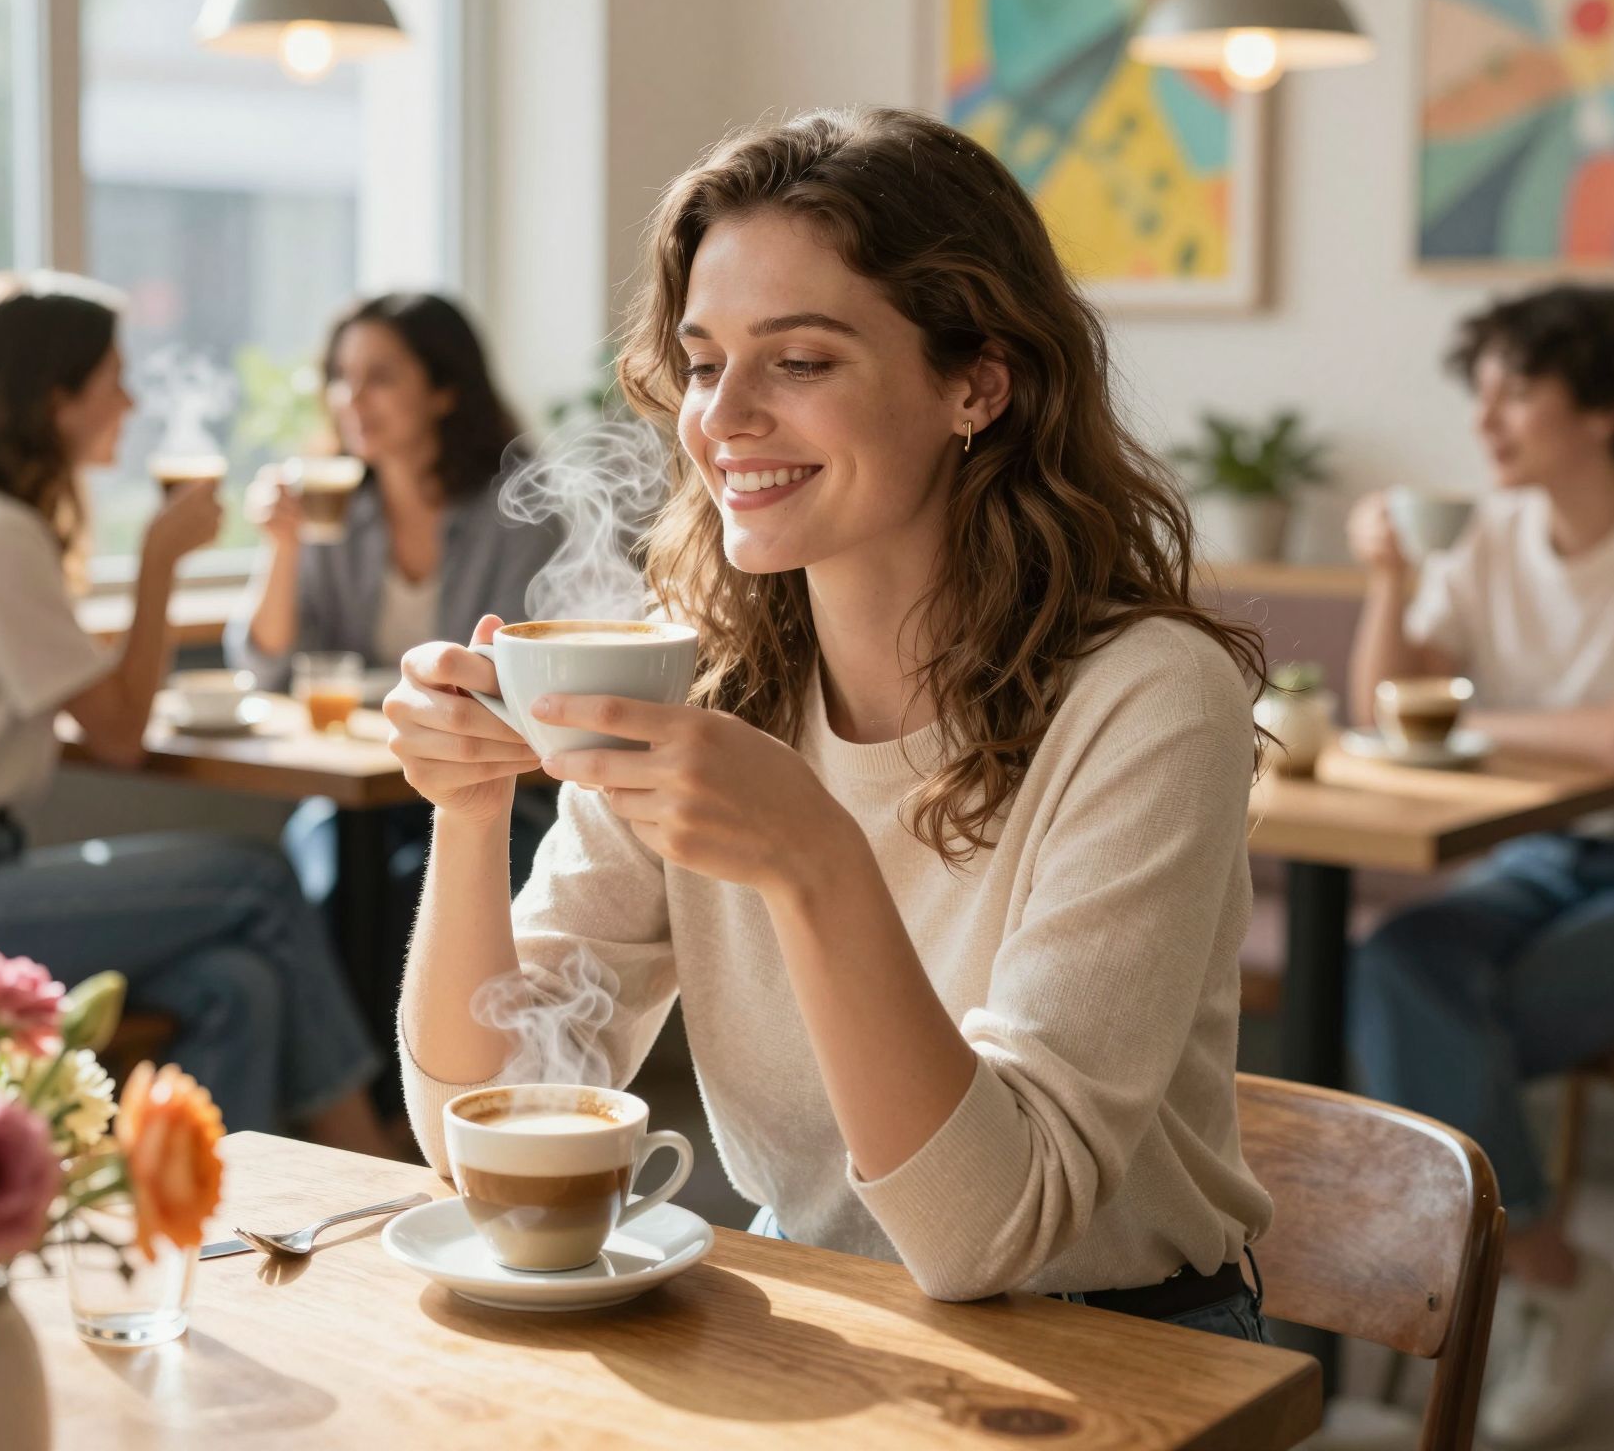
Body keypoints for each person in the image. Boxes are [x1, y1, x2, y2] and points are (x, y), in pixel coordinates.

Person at [382, 107, 1277, 1332]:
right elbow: (474, 1128)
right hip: (817, 1317)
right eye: (702, 363)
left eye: (797, 362)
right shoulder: (701, 676)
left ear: (976, 384)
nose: (723, 418)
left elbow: (987, 1236)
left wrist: (810, 857)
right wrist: (472, 813)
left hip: (1119, 1349)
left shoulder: (1150, 698)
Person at [0, 271, 395, 1154]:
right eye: (111, 379)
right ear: (55, 398)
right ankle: (376, 1160)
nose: (128, 400)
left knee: (238, 984)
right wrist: (159, 559)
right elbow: (120, 737)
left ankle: (212, 1224)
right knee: (257, 879)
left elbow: (93, 715)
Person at [1346, 284, 1614, 1446]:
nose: (1485, 424)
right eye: (1479, 395)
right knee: (1394, 966)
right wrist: (1383, 582)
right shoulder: (1487, 535)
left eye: (1517, 390)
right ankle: (1558, 1271)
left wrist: (1470, 723)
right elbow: (1384, 704)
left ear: (1605, 406)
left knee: (1456, 1014)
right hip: (1551, 854)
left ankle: (1515, 1288)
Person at [225, 293, 560, 1112]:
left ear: (444, 389)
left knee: (415, 878)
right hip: (362, 793)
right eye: (341, 379)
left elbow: (524, 685)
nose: (351, 401)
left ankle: (424, 1113)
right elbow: (266, 669)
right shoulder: (343, 512)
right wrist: (281, 547)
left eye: (379, 378)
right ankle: (370, 1118)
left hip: (493, 790)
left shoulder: (520, 511)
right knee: (332, 866)